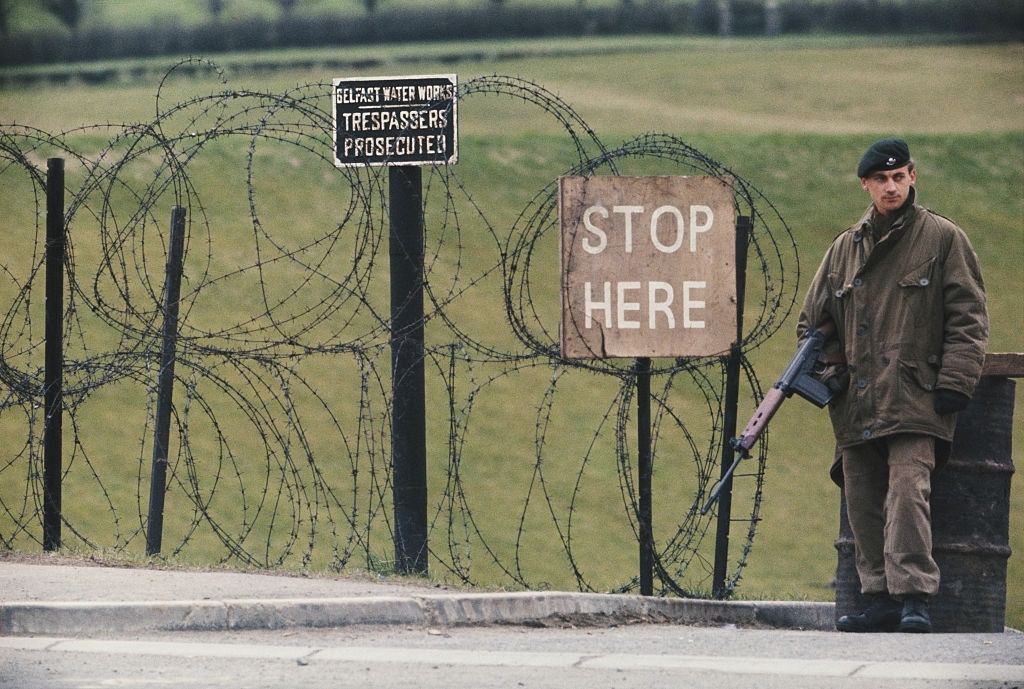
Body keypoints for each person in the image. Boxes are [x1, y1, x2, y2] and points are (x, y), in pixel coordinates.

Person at [797, 138, 988, 633]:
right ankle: (879, 597)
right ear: (866, 185)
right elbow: (813, 328)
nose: (891, 186)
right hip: (857, 402)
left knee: (907, 494)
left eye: (899, 176)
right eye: (881, 179)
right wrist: (831, 376)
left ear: (913, 177)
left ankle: (913, 600)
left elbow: (968, 317)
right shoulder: (844, 248)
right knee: (861, 500)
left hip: (916, 396)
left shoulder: (943, 239)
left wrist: (955, 382)